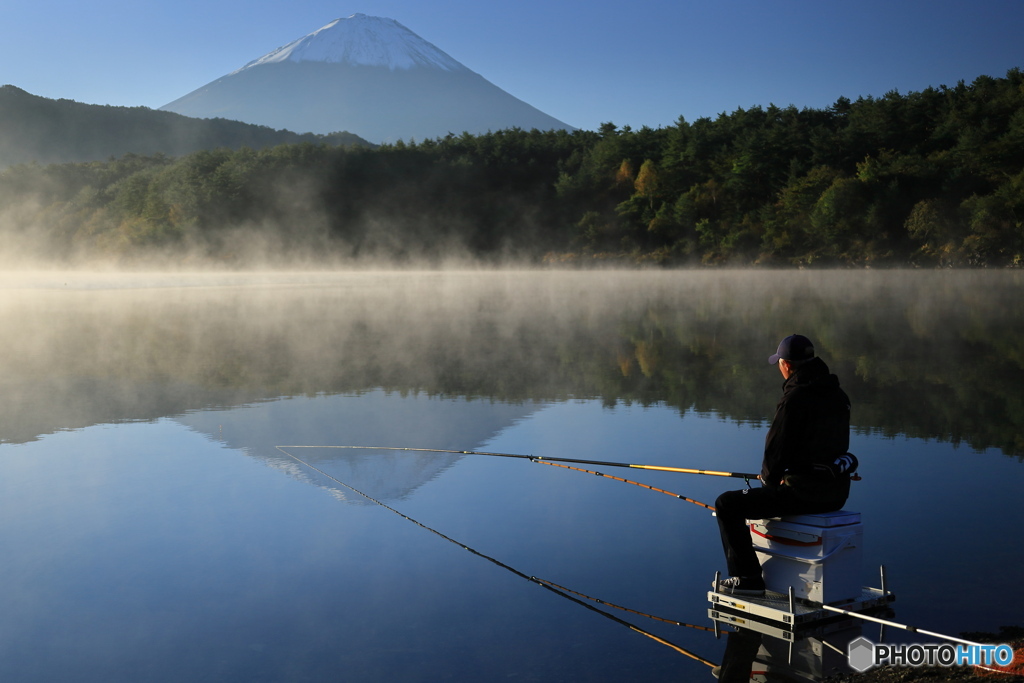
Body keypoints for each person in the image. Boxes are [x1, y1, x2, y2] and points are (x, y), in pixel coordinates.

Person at [714, 334, 853, 597]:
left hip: (803, 494)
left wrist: (769, 480)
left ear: (786, 364)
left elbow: (776, 450)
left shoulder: (795, 398)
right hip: (836, 495)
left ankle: (748, 580)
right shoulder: (838, 395)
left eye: (779, 362)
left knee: (727, 504)